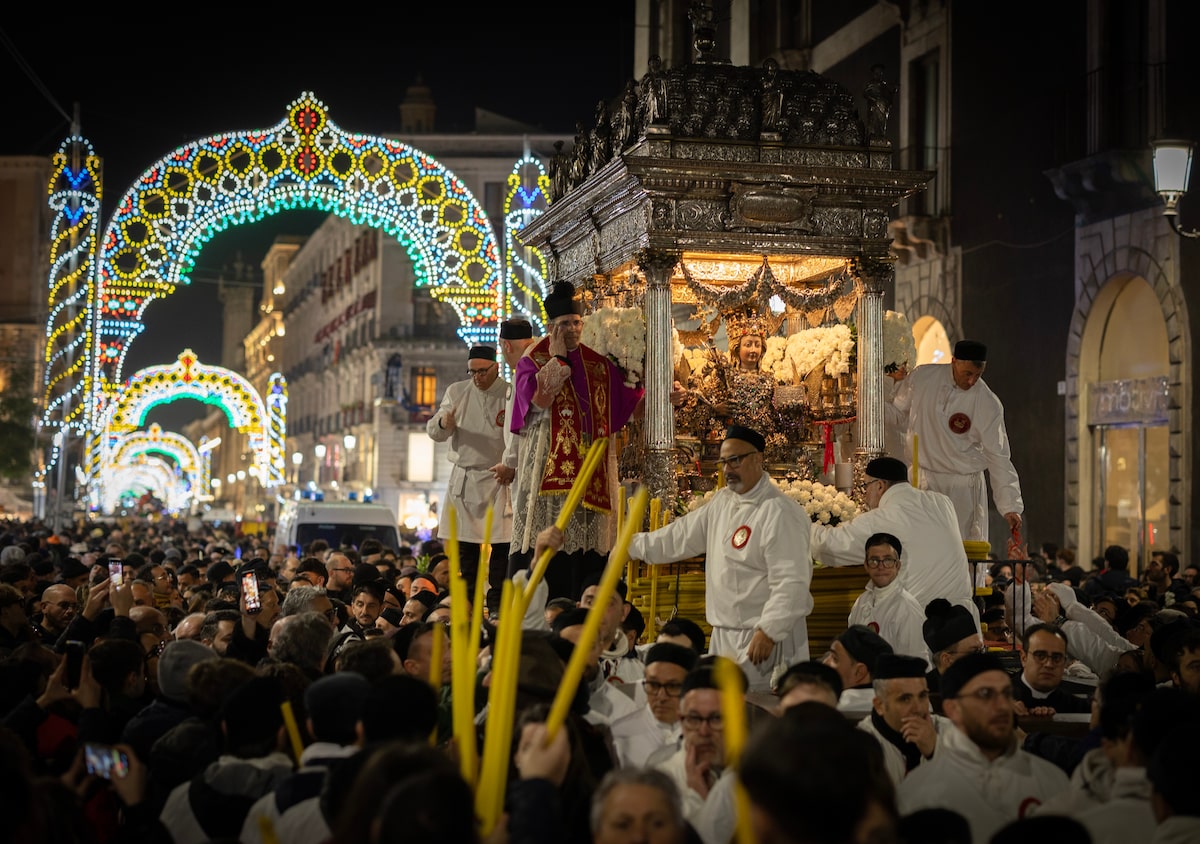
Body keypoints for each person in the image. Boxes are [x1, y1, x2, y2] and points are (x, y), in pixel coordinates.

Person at [628, 425, 813, 692]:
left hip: (763, 638)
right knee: (719, 707)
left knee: (755, 710)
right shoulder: (723, 502)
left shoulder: (780, 511)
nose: (727, 469)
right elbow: (679, 537)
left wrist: (770, 630)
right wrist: (631, 546)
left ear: (758, 459)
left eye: (735, 460)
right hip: (724, 633)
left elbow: (792, 581)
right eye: (723, 462)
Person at [509, 280, 645, 600]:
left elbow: (626, 405)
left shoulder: (598, 362)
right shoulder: (533, 359)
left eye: (576, 322)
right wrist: (558, 361)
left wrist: (663, 394)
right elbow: (538, 400)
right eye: (564, 324)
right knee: (552, 537)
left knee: (588, 548)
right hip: (548, 465)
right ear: (550, 328)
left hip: (592, 464)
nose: (572, 329)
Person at [896, 652, 1068, 842]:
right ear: (953, 708)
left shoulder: (1051, 779)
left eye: (1006, 694)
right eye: (986, 694)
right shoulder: (919, 793)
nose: (1002, 706)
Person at [811, 455, 979, 628]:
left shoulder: (882, 519)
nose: (865, 495)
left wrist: (800, 522)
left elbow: (828, 545)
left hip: (920, 624)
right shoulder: (942, 503)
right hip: (964, 622)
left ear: (880, 485)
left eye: (866, 486)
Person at [889, 339, 1023, 543]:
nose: (972, 381)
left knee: (961, 549)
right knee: (921, 545)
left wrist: (1010, 506)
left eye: (978, 375)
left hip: (963, 488)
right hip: (923, 480)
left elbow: (999, 456)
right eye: (967, 373)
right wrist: (870, 402)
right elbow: (898, 414)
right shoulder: (922, 377)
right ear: (953, 362)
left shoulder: (987, 403)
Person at [426, 344, 512, 611]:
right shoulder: (457, 391)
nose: (477, 377)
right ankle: (469, 607)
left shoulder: (509, 393)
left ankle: (496, 606)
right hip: (466, 479)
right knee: (467, 554)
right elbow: (434, 430)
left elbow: (518, 435)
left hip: (499, 478)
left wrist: (511, 464)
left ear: (496, 367)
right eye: (472, 372)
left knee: (502, 547)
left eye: (482, 371)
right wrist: (445, 423)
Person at [858, 653, 953, 788]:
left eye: (922, 696)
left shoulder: (950, 732)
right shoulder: (860, 744)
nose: (918, 708)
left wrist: (934, 751)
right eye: (905, 699)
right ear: (879, 705)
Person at [847, 532, 930, 664]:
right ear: (866, 566)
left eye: (887, 560)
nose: (881, 566)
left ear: (898, 565)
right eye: (874, 560)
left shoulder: (907, 608)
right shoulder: (860, 602)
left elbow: (916, 664)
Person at [822, 624, 894, 715]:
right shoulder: (894, 707)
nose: (825, 662)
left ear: (859, 672)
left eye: (834, 659)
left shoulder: (829, 709)